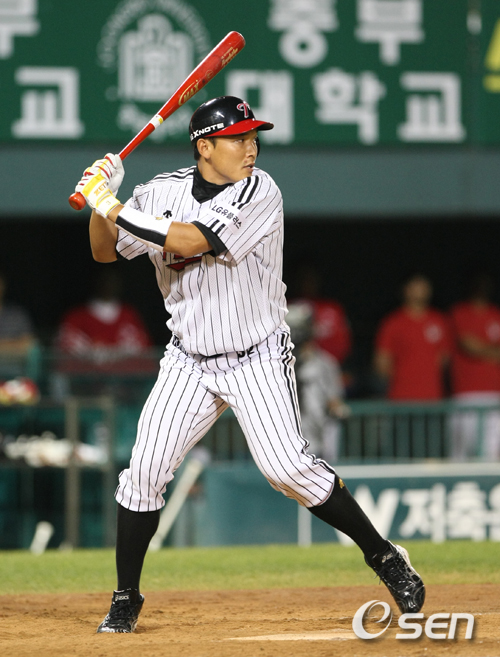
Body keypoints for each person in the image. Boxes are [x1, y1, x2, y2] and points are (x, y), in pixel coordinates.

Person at [75, 96, 425, 634]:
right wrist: (102, 204)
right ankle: (125, 596)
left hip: (255, 354)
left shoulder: (260, 191)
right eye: (238, 138)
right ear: (204, 147)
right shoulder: (161, 192)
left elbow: (193, 239)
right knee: (143, 472)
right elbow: (105, 252)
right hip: (189, 359)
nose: (251, 147)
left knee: (288, 470)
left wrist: (114, 205)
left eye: (252, 136)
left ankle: (384, 555)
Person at [287, 301, 349, 463]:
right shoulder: (277, 364)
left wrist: (337, 409)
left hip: (316, 440)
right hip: (286, 442)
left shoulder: (325, 363)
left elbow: (334, 401)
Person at [374, 273, 451, 401]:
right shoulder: (393, 322)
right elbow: (381, 362)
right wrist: (405, 376)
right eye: (416, 285)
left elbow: (445, 356)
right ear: (405, 290)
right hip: (402, 397)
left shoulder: (439, 320)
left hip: (433, 397)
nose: (421, 289)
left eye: (424, 286)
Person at [449, 271, 500, 460]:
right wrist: (493, 352)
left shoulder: (496, 314)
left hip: (495, 397)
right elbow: (469, 345)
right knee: (460, 457)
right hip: (465, 396)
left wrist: (483, 350)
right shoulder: (460, 312)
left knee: (491, 456)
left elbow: (478, 347)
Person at [56, 268, 152, 363]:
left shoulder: (130, 315)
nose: (108, 284)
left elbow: (145, 350)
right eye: (104, 280)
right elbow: (63, 351)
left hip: (125, 372)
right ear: (95, 282)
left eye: (112, 280)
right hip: (86, 372)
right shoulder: (75, 317)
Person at [293, 263, 352, 364]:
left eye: (312, 279)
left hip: (333, 364)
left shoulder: (333, 308)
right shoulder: (290, 307)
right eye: (306, 279)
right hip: (297, 363)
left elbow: (346, 344)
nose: (309, 283)